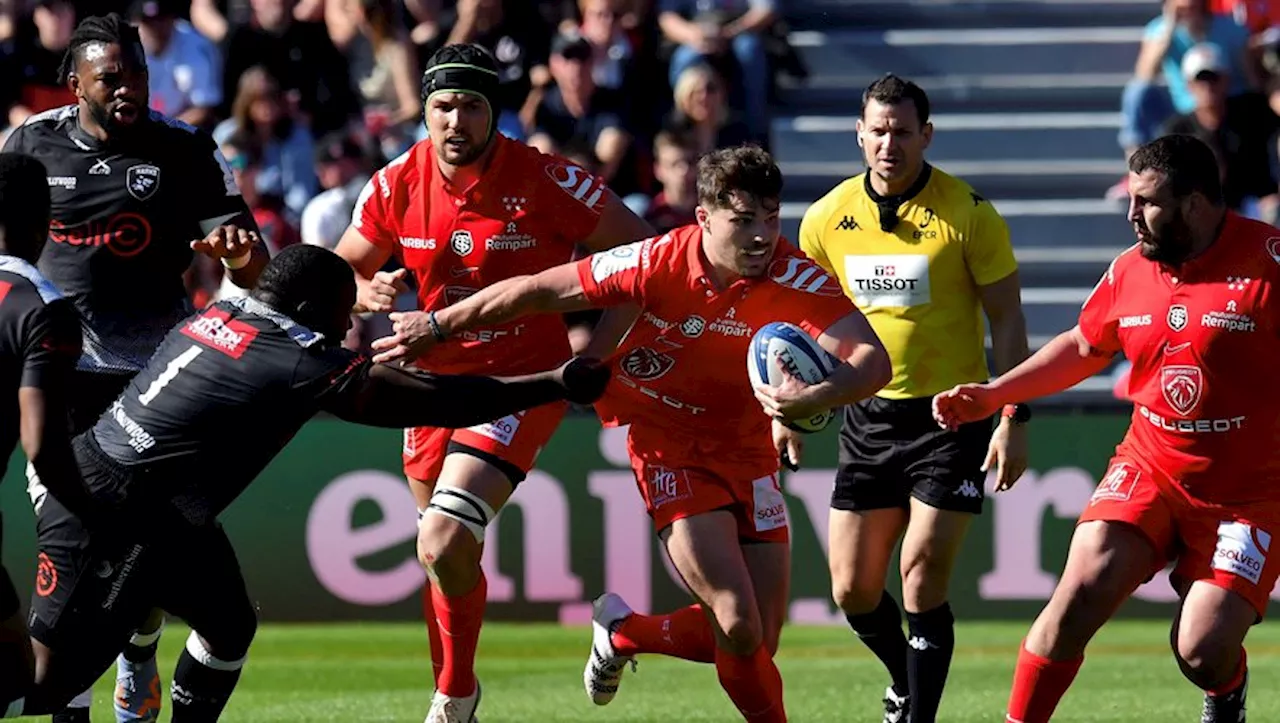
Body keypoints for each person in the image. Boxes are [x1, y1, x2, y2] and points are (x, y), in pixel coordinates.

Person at [372, 145, 894, 723]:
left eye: (770, 218)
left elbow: (873, 360)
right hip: (667, 443)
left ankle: (624, 632)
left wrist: (809, 399)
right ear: (704, 218)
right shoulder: (654, 260)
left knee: (757, 639)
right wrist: (439, 324)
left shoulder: (791, 272)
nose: (761, 236)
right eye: (743, 221)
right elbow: (539, 289)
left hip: (748, 451)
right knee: (737, 621)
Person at [19, 243, 610, 721]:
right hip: (113, 507)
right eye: (340, 313)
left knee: (228, 626)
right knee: (49, 681)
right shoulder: (294, 356)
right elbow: (440, 401)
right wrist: (554, 382)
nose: (344, 332)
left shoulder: (223, 313)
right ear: (309, 307)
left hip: (158, 506)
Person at [332, 42, 653, 722]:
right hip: (426, 388)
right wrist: (366, 291)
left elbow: (643, 261)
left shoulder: (544, 179)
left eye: (471, 105)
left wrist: (593, 355)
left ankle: (451, 697)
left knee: (445, 536)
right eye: (443, 106)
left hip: (516, 383)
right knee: (442, 553)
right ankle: (460, 690)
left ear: (493, 113)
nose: (456, 121)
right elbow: (340, 274)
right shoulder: (395, 183)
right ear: (423, 110)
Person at [935, 134, 1276, 723]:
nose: (1130, 216)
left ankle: (1226, 693)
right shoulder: (1129, 270)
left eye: (1146, 202)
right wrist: (996, 394)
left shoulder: (1269, 263)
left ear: (1194, 204)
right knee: (1076, 596)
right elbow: (1083, 347)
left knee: (1201, 650)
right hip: (1151, 468)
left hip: (1249, 494)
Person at [0, 13, 268, 723]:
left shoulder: (184, 149)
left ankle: (141, 650)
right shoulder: (27, 144)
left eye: (138, 74)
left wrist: (239, 255)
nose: (127, 89)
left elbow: (255, 259)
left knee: (154, 554)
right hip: (61, 381)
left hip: (158, 387)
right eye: (110, 76)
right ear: (74, 82)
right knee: (81, 573)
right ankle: (95, 684)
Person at [796, 74, 1031, 723]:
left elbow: (1007, 320)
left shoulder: (969, 214)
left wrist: (1013, 410)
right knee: (851, 587)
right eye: (877, 130)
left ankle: (919, 716)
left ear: (926, 135)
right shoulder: (824, 219)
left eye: (902, 131)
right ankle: (905, 679)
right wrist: (788, 406)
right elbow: (804, 318)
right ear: (859, 133)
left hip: (950, 415)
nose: (888, 143)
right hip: (867, 415)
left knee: (921, 573)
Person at [0, 152, 102, 718]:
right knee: (27, 675)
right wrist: (96, 514)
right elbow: (42, 444)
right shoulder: (42, 306)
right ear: (48, 225)